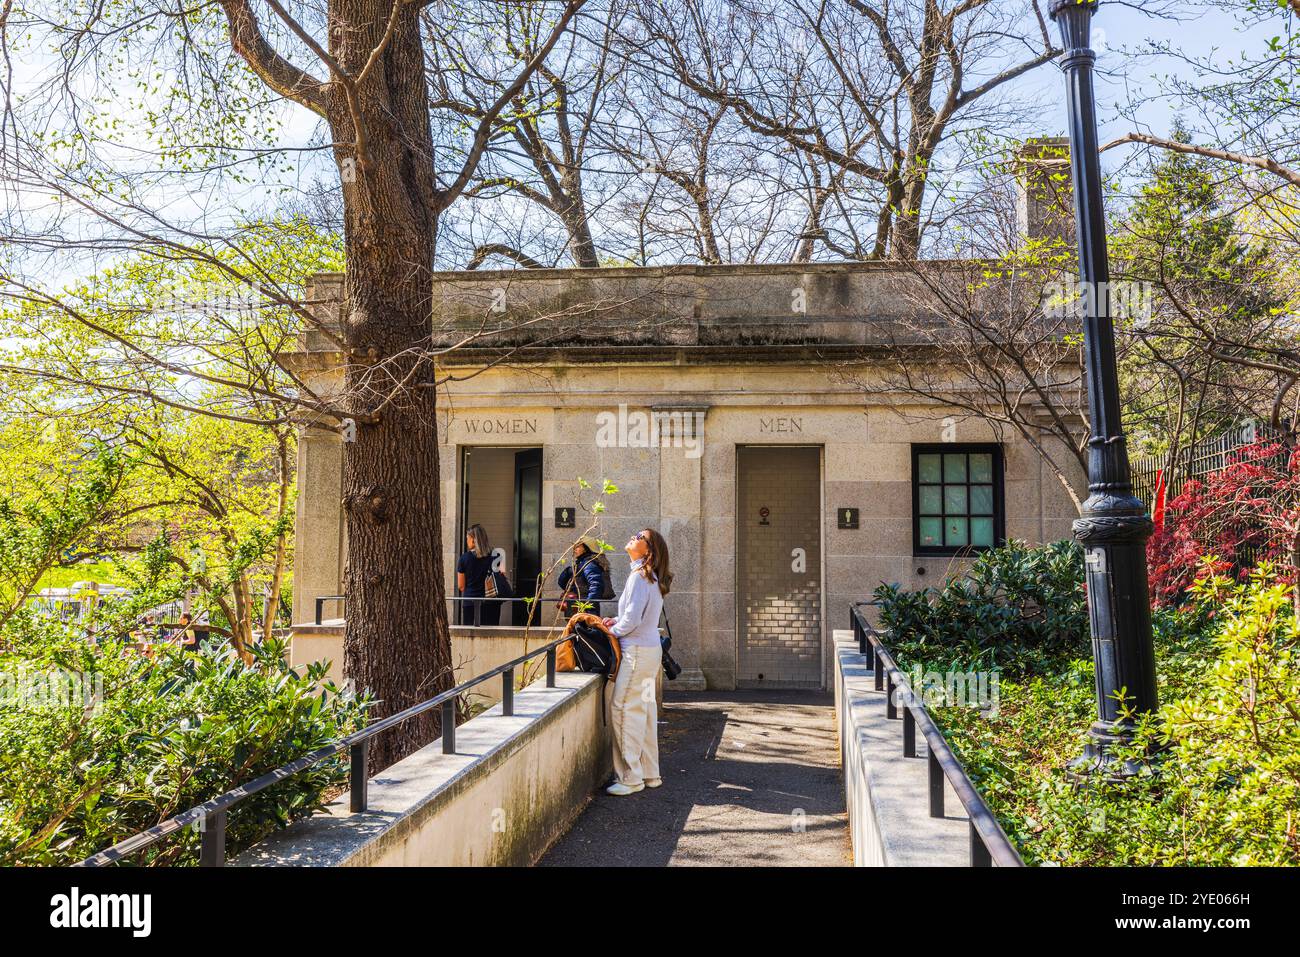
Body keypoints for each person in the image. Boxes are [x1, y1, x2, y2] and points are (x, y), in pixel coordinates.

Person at [602, 527, 672, 796]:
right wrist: (617, 622)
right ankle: (649, 772)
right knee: (644, 712)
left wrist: (612, 630)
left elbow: (633, 620)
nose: (633, 537)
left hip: (636, 653)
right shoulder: (649, 577)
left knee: (622, 709)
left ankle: (630, 778)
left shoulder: (639, 577)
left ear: (649, 550)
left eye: (640, 537)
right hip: (649, 651)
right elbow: (638, 616)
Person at [456, 524, 504, 626]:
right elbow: (501, 576)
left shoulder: (464, 558)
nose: (467, 541)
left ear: (473, 540)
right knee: (491, 635)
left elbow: (461, 586)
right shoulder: (496, 555)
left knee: (470, 635)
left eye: (467, 538)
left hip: (470, 601)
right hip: (491, 602)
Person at [557, 535, 612, 619]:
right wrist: (569, 572)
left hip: (585, 608)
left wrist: (587, 605)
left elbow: (596, 585)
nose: (574, 549)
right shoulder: (581, 563)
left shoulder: (589, 564)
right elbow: (562, 583)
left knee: (586, 630)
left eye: (578, 546)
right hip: (576, 604)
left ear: (586, 548)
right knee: (574, 630)